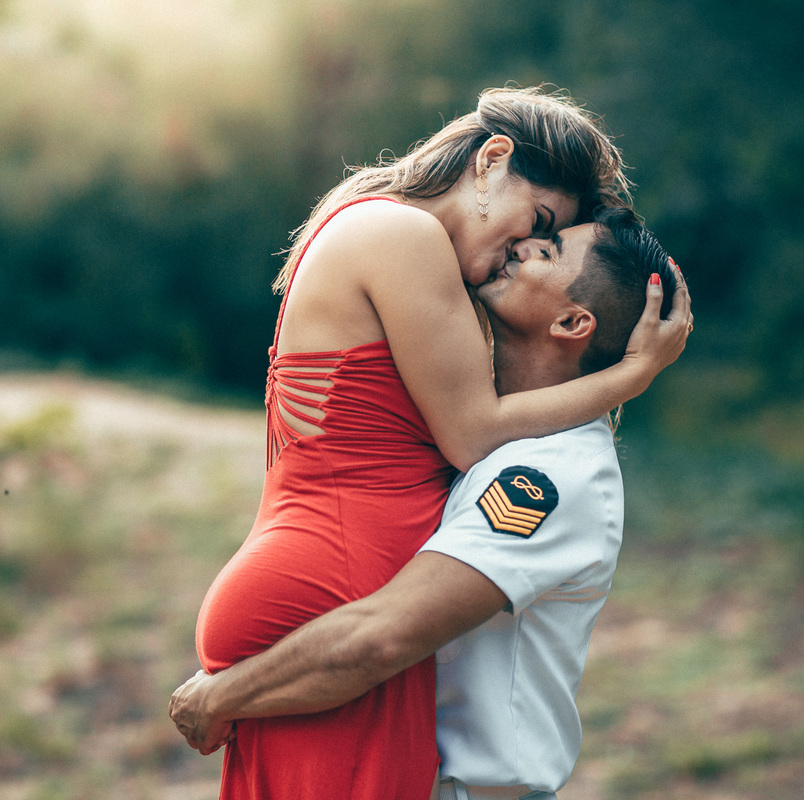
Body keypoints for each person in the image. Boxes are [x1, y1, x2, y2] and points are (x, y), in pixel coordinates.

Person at [192, 86, 692, 800]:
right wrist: (635, 374)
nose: (521, 249)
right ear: (491, 161)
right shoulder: (406, 237)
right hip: (336, 599)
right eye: (540, 223)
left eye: (547, 243)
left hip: (327, 604)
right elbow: (472, 432)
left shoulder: (378, 231)